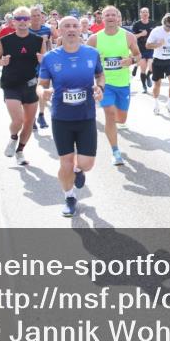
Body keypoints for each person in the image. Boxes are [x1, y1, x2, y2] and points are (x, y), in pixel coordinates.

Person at [38, 16, 104, 217]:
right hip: (61, 118)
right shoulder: (50, 57)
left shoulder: (92, 54)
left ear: (79, 30)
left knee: (86, 164)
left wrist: (100, 88)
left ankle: (78, 170)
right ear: (60, 30)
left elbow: (100, 75)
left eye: (75, 26)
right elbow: (41, 85)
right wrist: (43, 93)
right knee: (65, 162)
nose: (72, 29)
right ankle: (69, 197)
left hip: (86, 116)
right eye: (67, 26)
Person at [87, 6, 140, 165]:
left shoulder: (128, 36)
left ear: (118, 18)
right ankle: (115, 151)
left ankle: (114, 129)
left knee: (121, 118)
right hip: (105, 84)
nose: (110, 17)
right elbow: (86, 61)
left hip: (123, 83)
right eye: (107, 15)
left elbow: (138, 55)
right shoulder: (94, 39)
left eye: (113, 15)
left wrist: (131, 60)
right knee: (109, 114)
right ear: (102, 19)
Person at [0, 7, 44, 166]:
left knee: (29, 122)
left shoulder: (39, 40)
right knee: (18, 120)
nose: (22, 22)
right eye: (19, 19)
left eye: (25, 19)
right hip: (11, 84)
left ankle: (20, 151)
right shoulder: (5, 40)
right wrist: (2, 62)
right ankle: (13, 137)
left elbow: (45, 61)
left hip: (30, 84)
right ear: (13, 21)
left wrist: (43, 60)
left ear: (30, 21)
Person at [146, 13, 170, 116]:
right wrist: (158, 44)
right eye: (167, 26)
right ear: (163, 23)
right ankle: (156, 104)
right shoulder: (156, 31)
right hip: (158, 60)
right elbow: (147, 45)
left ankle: (169, 103)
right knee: (157, 84)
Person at [29, 7, 54, 130]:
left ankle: (41, 114)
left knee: (42, 90)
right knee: (33, 93)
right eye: (33, 15)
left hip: (44, 65)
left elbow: (50, 44)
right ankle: (32, 118)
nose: (36, 18)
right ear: (29, 17)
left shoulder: (47, 29)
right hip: (29, 65)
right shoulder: (26, 30)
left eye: (38, 15)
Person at [132, 7, 156, 94]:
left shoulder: (153, 23)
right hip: (141, 49)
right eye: (143, 12)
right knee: (143, 69)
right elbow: (132, 37)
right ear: (140, 14)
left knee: (152, 67)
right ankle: (144, 86)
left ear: (149, 14)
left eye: (146, 12)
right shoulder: (137, 24)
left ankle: (148, 76)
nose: (145, 14)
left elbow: (157, 35)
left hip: (151, 49)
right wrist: (141, 34)